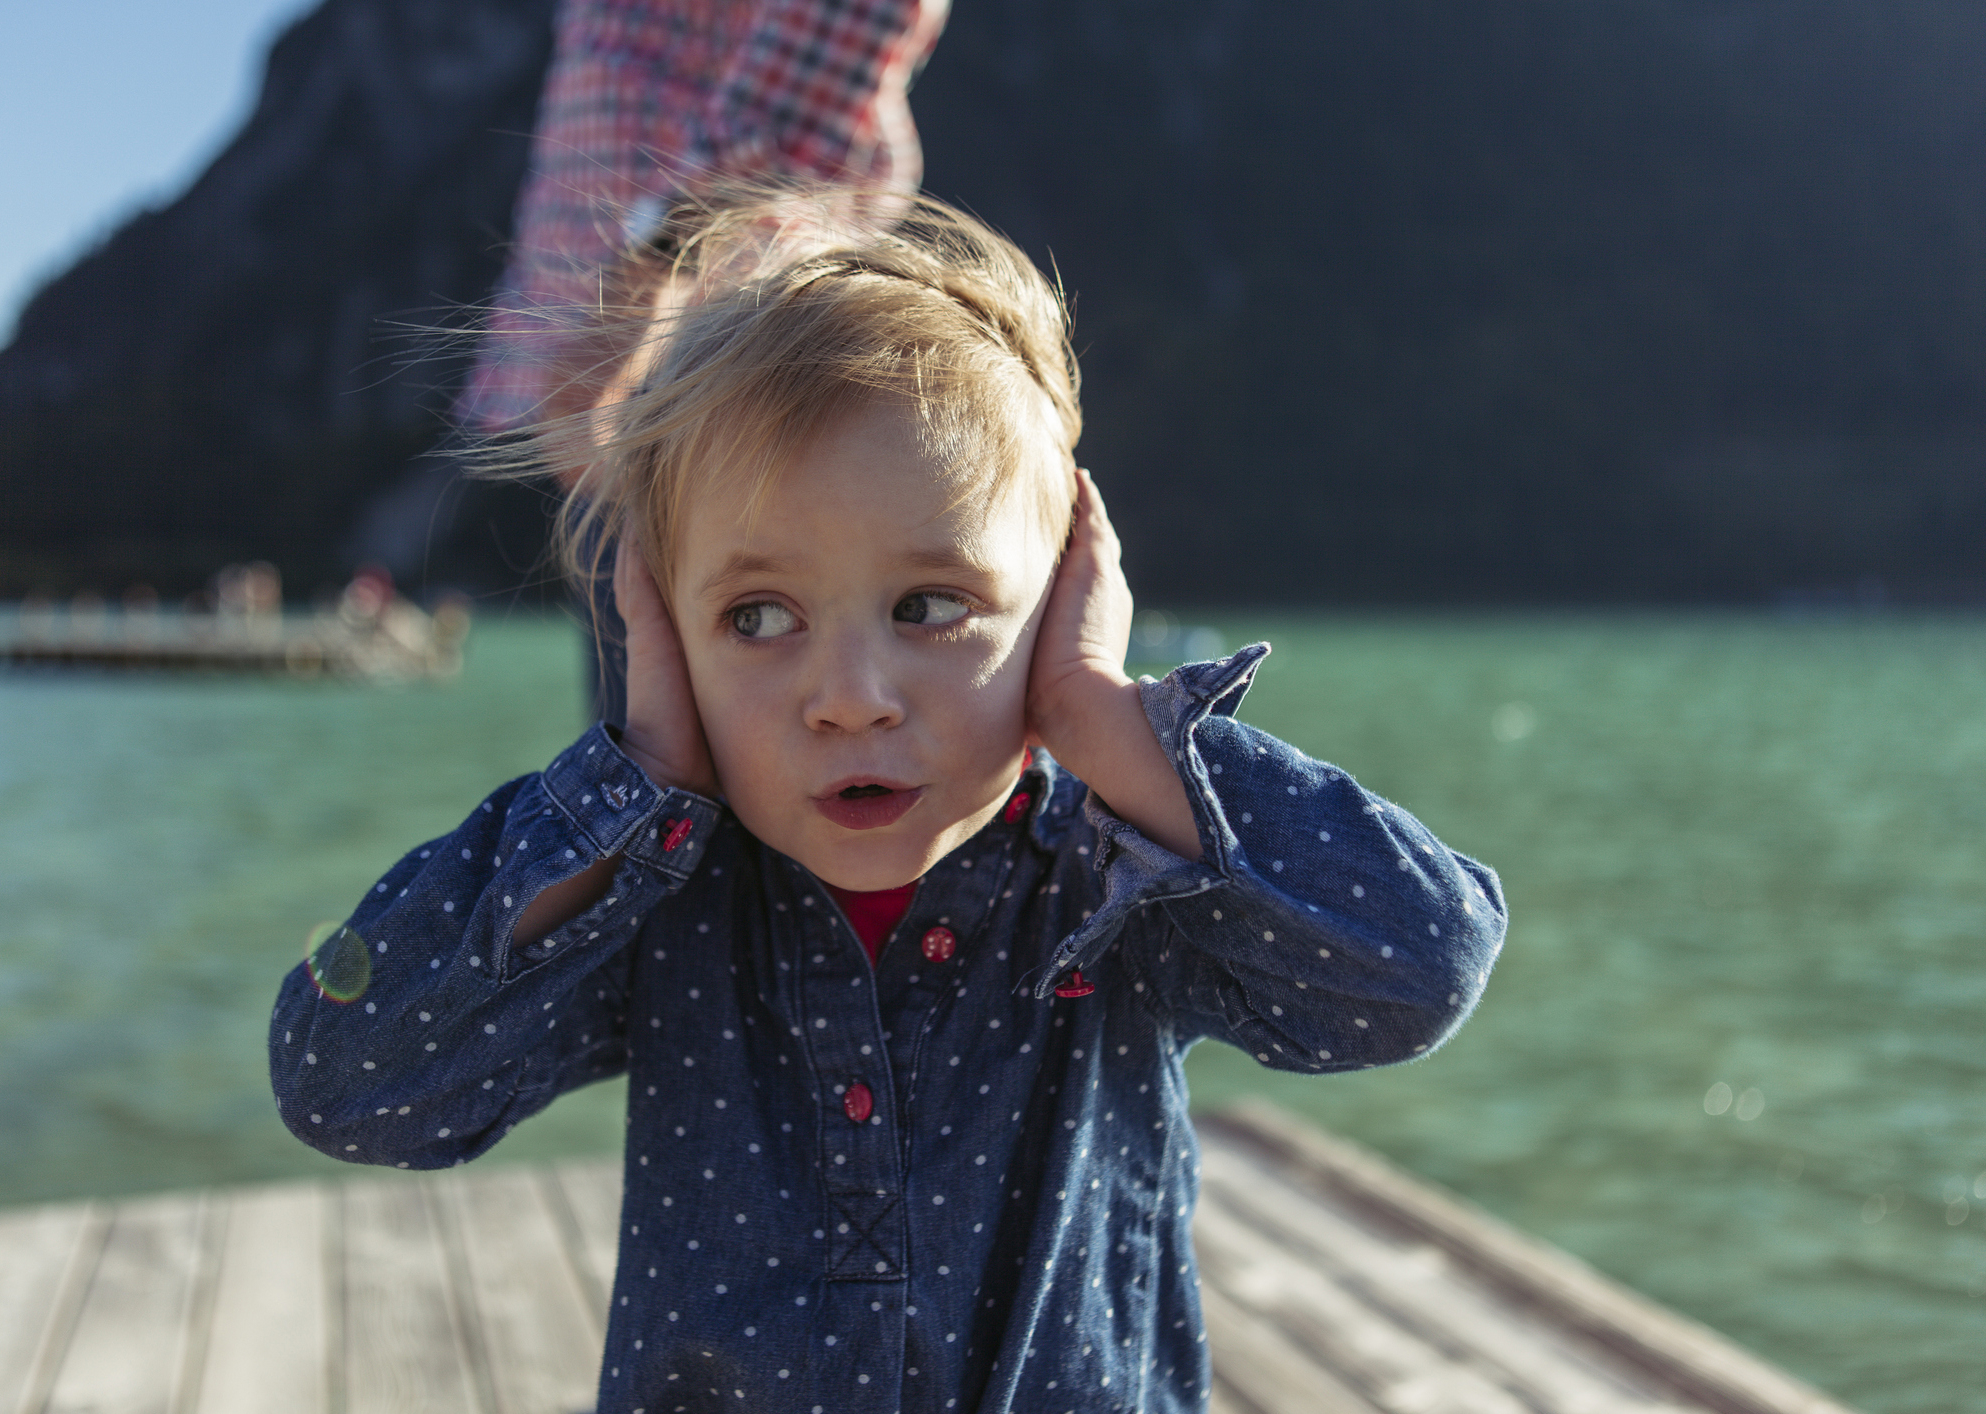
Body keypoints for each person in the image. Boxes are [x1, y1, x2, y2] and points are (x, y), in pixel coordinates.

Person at [271, 189, 1506, 1414]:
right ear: (663, 632)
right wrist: (633, 778)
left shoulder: (1114, 883)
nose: (851, 699)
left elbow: (1420, 965)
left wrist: (1102, 716)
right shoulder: (664, 900)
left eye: (930, 606)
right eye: (758, 617)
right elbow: (348, 1082)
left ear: (1063, 595)